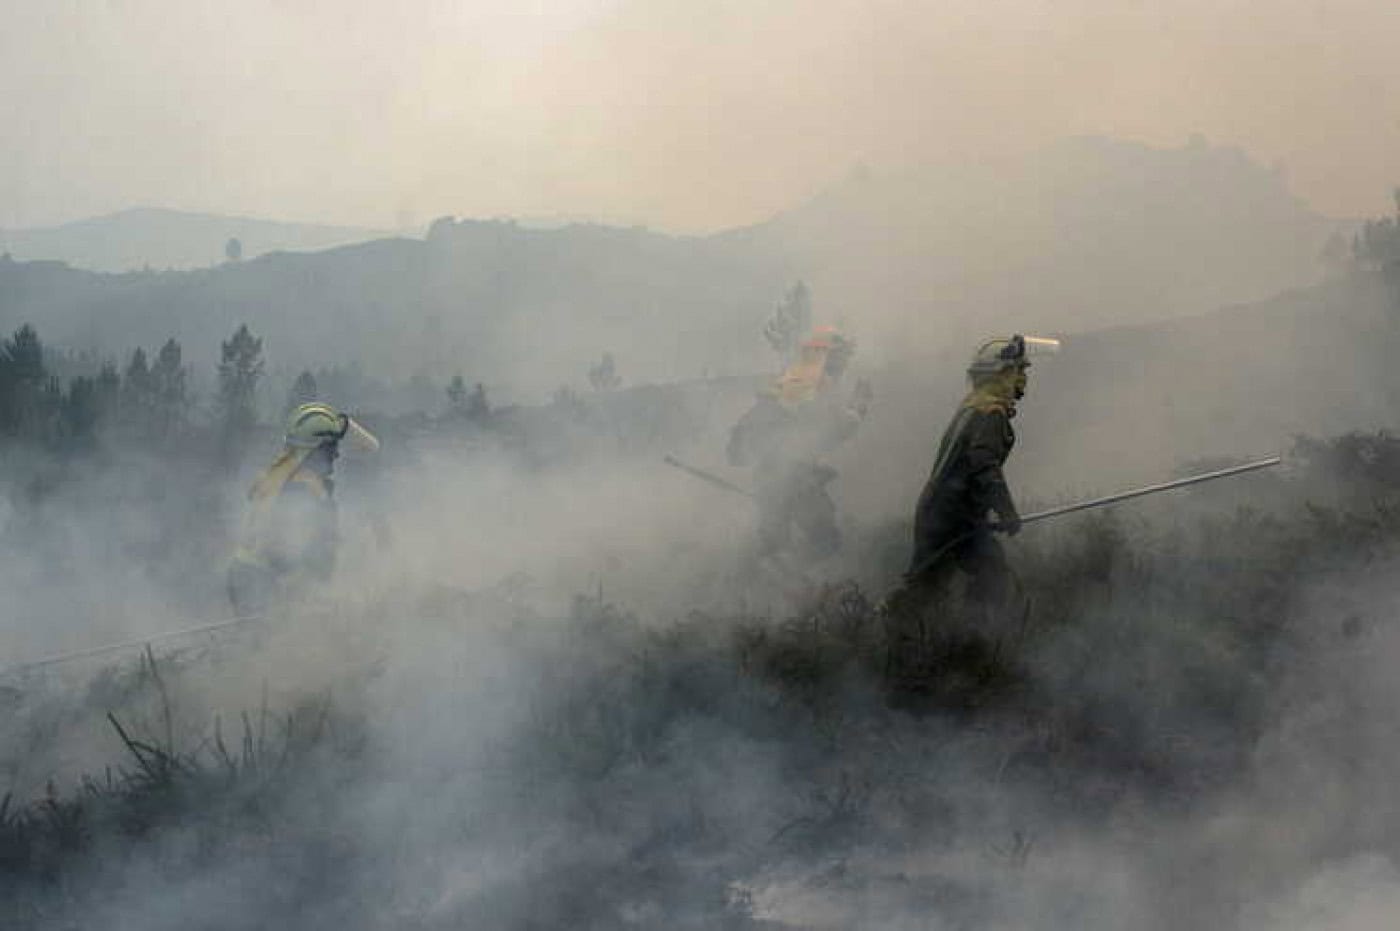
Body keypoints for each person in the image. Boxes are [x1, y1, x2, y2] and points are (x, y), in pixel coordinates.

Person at [901, 334, 1058, 612]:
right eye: (1018, 370)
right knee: (968, 581)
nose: (1022, 379)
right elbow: (984, 465)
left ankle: (959, 639)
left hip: (945, 512)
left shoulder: (973, 405)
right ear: (1001, 374)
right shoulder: (990, 413)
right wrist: (1006, 511)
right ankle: (972, 638)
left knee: (945, 584)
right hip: (951, 519)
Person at [727, 326, 871, 564]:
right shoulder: (808, 387)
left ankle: (785, 588)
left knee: (777, 548)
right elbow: (832, 430)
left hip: (778, 482)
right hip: (794, 481)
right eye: (839, 360)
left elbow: (738, 450)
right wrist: (859, 407)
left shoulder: (789, 386)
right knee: (821, 542)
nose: (841, 368)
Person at [227, 402, 379, 614]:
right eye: (331, 448)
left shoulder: (280, 472)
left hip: (247, 577)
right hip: (263, 586)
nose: (336, 455)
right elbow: (293, 550)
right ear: (316, 450)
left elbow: (371, 445)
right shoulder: (301, 488)